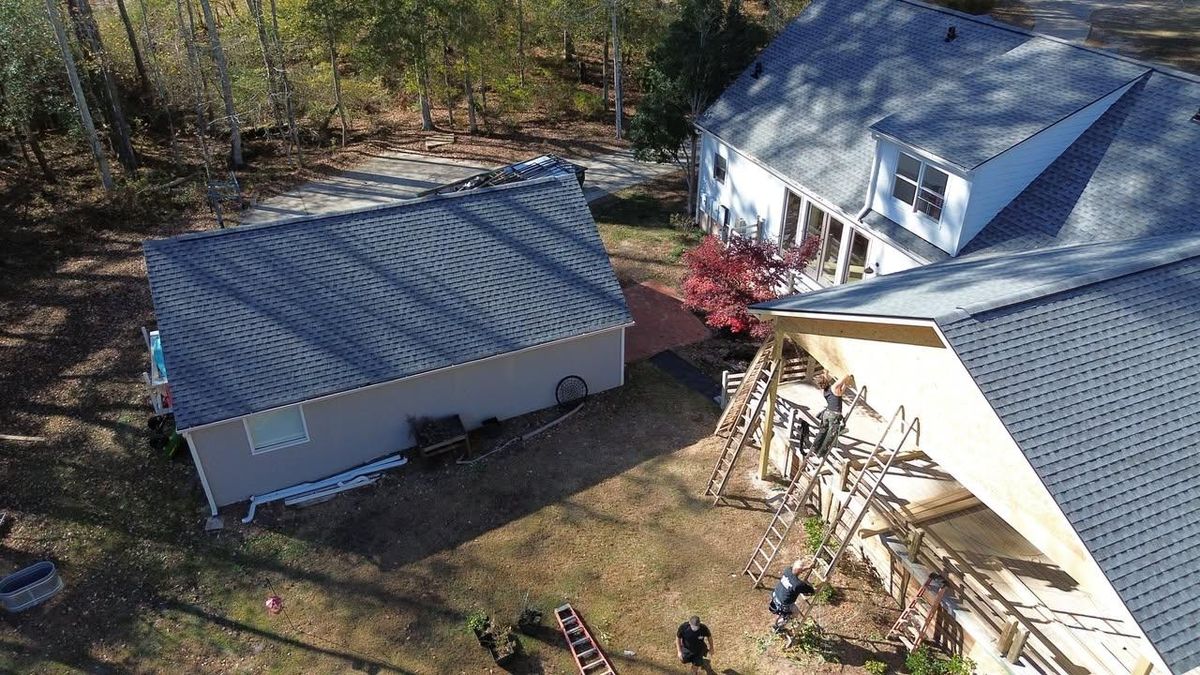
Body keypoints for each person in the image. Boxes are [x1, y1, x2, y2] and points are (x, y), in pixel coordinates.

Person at [809, 372, 854, 457]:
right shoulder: (834, 387)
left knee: (822, 432)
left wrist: (846, 383)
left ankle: (815, 448)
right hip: (834, 416)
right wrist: (850, 374)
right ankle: (820, 453)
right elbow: (846, 375)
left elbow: (841, 391)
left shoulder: (826, 391)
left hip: (826, 414)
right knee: (829, 436)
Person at [769, 559, 816, 631]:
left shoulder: (787, 570)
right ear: (800, 571)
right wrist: (822, 582)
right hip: (783, 604)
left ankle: (780, 619)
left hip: (775, 596)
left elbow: (797, 569)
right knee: (795, 613)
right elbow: (812, 591)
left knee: (789, 605)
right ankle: (779, 627)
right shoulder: (798, 584)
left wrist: (808, 567)